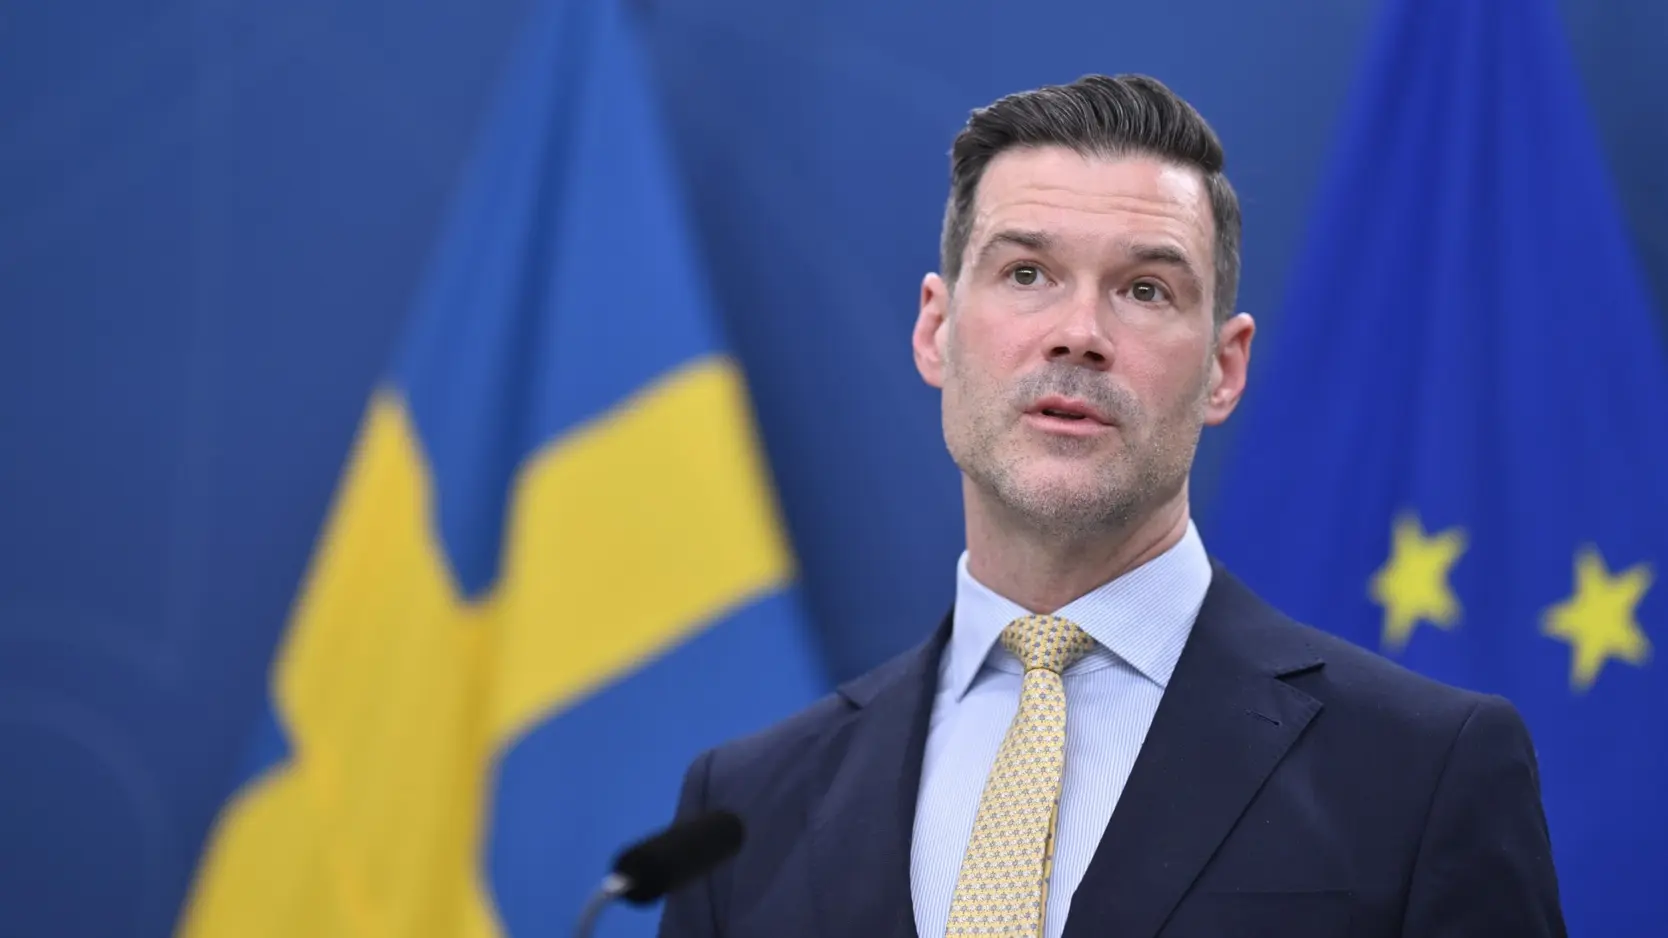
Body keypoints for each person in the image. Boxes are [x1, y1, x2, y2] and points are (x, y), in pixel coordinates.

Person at [656, 73, 1566, 938]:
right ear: (937, 330)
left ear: (1224, 369)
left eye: (1144, 290)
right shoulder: (744, 811)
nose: (1079, 334)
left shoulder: (1421, 772)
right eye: (1026, 274)